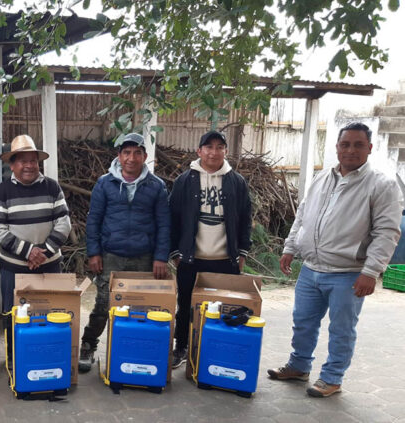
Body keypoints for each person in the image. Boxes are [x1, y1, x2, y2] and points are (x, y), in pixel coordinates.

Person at [268, 122, 402, 397]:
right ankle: (299, 366)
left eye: (358, 145)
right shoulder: (322, 178)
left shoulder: (381, 185)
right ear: (337, 147)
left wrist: (371, 271)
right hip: (311, 269)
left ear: (369, 148)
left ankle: (332, 378)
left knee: (341, 330)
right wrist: (290, 247)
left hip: (348, 273)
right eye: (345, 144)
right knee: (302, 322)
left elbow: (387, 232)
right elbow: (303, 214)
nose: (350, 150)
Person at [78, 133, 171, 373]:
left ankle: (135, 349)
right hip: (111, 255)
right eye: (127, 152)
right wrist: (94, 253)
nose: (131, 158)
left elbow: (164, 224)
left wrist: (161, 257)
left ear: (145, 156)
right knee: (103, 304)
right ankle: (88, 345)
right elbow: (94, 220)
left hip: (144, 257)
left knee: (140, 306)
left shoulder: (156, 186)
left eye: (137, 153)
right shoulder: (105, 183)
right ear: (119, 156)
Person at [169, 130, 252, 369]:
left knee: (223, 307)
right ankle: (181, 346)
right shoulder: (185, 181)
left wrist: (242, 252)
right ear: (199, 151)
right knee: (185, 305)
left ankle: (215, 349)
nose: (214, 152)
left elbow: (245, 218)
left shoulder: (236, 182)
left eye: (219, 147)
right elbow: (172, 217)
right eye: (209, 147)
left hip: (225, 259)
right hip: (191, 258)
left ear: (226, 151)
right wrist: (175, 253)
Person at [0, 134, 72, 315]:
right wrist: (28, 252)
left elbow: (64, 223)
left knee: (50, 316)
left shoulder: (52, 187)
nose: (29, 165)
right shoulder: (2, 191)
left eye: (33, 161)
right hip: (13, 269)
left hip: (49, 266)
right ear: (12, 165)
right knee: (13, 317)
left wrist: (43, 253)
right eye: (23, 161)